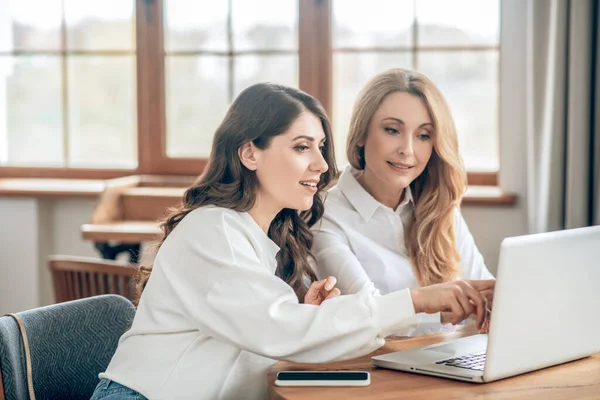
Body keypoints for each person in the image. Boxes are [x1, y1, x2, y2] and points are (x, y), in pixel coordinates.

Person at [90, 82, 494, 400]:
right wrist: (418, 300)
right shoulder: (212, 230)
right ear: (250, 153)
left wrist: (308, 316)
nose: (320, 165)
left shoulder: (260, 241)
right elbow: (278, 330)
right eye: (302, 147)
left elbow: (272, 335)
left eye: (320, 147)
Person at [312, 68, 494, 336]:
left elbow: (484, 290)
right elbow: (368, 316)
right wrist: (444, 309)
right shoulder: (324, 216)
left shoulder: (440, 207)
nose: (407, 150)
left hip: (443, 362)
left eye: (423, 135)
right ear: (361, 133)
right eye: (392, 130)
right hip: (374, 371)